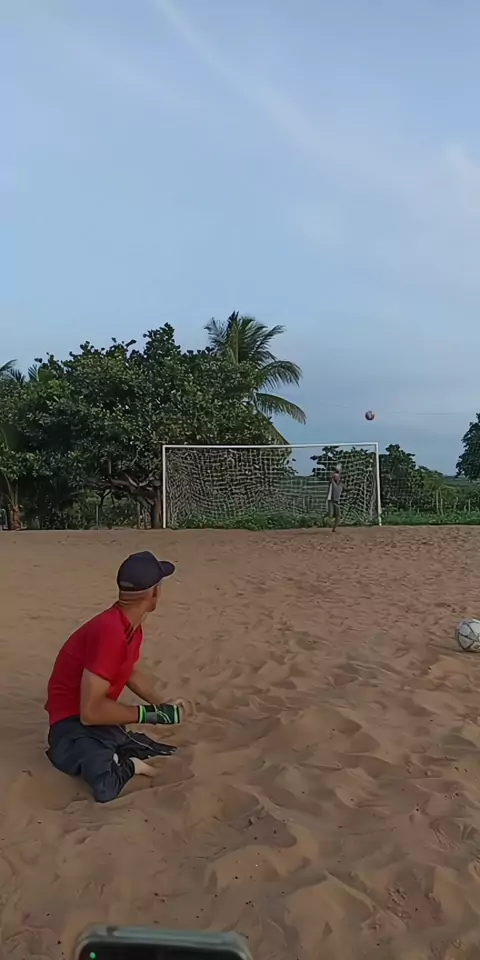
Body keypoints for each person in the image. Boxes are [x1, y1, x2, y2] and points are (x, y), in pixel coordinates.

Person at [45, 550, 186, 803]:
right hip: (71, 727)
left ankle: (124, 753)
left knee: (160, 751)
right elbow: (90, 712)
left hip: (97, 723)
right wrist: (151, 714)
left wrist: (161, 704)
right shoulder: (110, 631)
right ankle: (131, 766)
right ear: (154, 593)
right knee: (105, 787)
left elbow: (127, 670)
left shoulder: (128, 626)